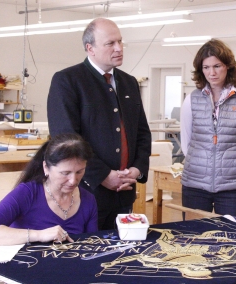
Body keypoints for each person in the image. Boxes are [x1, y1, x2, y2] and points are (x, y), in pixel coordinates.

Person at [47, 18, 152, 230]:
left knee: (122, 257)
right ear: (90, 48)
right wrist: (103, 175)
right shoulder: (68, 80)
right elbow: (66, 139)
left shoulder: (129, 82)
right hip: (85, 192)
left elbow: (142, 133)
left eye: (120, 42)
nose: (119, 48)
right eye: (110, 43)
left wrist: (137, 170)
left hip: (124, 194)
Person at [180, 39, 236, 216]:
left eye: (217, 66)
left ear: (228, 67)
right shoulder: (191, 100)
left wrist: (233, 167)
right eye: (206, 67)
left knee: (230, 237)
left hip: (232, 188)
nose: (212, 73)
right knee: (193, 237)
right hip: (195, 184)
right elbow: (186, 144)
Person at [0, 133, 97, 246]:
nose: (73, 180)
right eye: (65, 173)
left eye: (79, 172)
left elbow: (90, 245)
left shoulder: (88, 200)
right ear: (46, 168)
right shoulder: (28, 193)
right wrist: (38, 235)